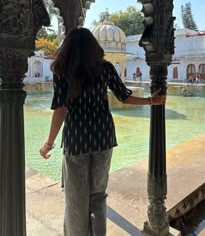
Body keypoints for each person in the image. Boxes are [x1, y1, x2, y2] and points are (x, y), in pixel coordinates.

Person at [39, 28, 166, 236]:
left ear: (68, 47)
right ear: (93, 46)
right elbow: (123, 96)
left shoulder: (62, 70)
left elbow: (60, 110)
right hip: (103, 138)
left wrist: (48, 143)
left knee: (76, 198)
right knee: (98, 195)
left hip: (77, 140)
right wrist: (151, 101)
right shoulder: (105, 68)